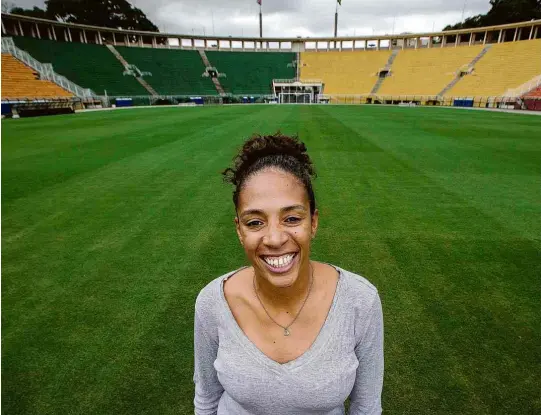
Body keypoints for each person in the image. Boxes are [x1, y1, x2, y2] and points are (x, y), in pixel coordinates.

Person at [193, 133, 384, 415]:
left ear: (313, 222)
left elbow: (366, 408)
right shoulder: (212, 302)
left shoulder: (359, 301)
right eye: (255, 222)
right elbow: (206, 400)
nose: (274, 238)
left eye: (292, 218)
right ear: (239, 230)